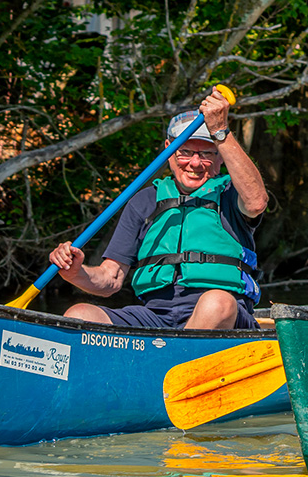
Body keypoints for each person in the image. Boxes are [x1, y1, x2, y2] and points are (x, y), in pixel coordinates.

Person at [48, 87, 269, 329]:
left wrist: (220, 132)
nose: (195, 163)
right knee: (79, 313)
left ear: (219, 158)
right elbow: (110, 279)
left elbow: (256, 201)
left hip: (222, 314)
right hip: (156, 315)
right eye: (185, 152)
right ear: (169, 151)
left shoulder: (230, 193)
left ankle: (179, 359)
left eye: (206, 153)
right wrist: (75, 273)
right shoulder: (144, 201)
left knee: (216, 302)